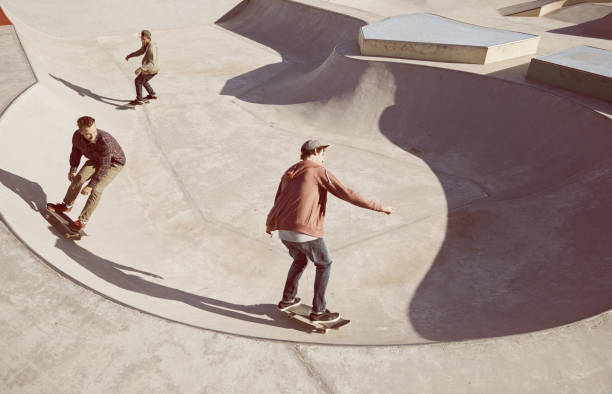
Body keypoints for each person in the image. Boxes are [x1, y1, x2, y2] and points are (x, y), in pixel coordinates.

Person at [266, 140, 393, 322]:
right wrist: (379, 207)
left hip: (284, 231)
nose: (324, 157)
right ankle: (319, 311)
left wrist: (270, 224)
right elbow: (346, 193)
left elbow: (278, 199)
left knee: (300, 260)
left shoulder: (289, 172)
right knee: (324, 264)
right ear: (316, 151)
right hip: (305, 231)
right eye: (323, 153)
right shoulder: (318, 171)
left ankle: (288, 299)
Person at [47, 116, 126, 232]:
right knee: (78, 178)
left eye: (94, 132)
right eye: (88, 134)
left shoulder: (105, 142)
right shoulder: (77, 137)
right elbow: (76, 152)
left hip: (113, 164)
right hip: (95, 159)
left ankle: (82, 221)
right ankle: (67, 205)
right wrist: (72, 169)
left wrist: (90, 185)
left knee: (97, 189)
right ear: (81, 132)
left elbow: (104, 167)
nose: (93, 136)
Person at [125, 29, 159, 105]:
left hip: (151, 69)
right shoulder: (146, 44)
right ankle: (152, 94)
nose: (142, 41)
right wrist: (130, 55)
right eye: (141, 39)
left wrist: (140, 68)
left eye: (144, 39)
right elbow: (141, 51)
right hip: (150, 68)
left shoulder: (151, 47)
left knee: (138, 81)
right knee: (143, 80)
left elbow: (151, 63)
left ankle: (139, 99)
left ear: (148, 38)